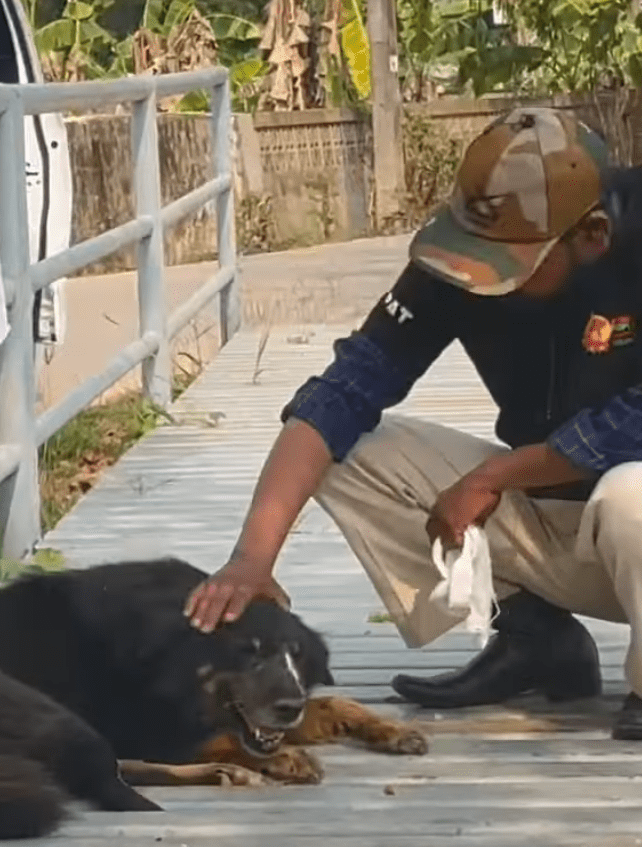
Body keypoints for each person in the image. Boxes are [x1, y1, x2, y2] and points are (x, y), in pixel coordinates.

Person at [184, 107, 642, 740]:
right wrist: (250, 559)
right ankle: (537, 639)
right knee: (350, 451)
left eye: (509, 265)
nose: (482, 280)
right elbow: (345, 390)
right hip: (557, 508)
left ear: (591, 237)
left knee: (629, 493)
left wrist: (494, 476)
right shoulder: (463, 261)